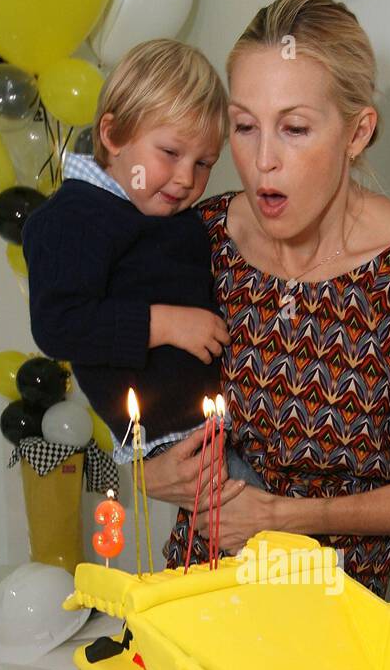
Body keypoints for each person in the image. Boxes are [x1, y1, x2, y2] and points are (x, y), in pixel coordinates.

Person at [145, 0, 390, 598]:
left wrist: (285, 517)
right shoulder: (197, 240)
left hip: (329, 634)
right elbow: (128, 378)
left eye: (294, 129)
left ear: (357, 131)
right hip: (188, 604)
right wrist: (148, 471)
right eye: (243, 126)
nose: (263, 161)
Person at [20, 38, 263, 488]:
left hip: (221, 422)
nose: (187, 178)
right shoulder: (73, 217)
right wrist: (166, 324)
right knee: (268, 542)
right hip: (175, 436)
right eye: (170, 153)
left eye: (204, 163)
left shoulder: (158, 211)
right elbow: (58, 324)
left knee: (261, 546)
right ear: (112, 136)